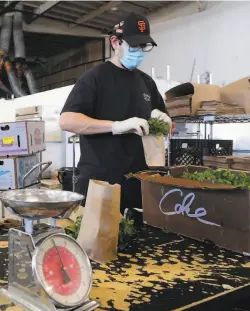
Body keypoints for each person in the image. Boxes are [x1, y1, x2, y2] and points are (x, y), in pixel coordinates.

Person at [59, 13, 172, 225]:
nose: (138, 52)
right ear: (115, 42)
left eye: (143, 47)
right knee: (98, 251)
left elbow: (164, 119)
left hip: (138, 184)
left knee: (139, 250)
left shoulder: (146, 83)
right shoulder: (94, 78)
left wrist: (165, 121)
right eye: (133, 46)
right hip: (101, 184)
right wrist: (116, 126)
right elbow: (67, 120)